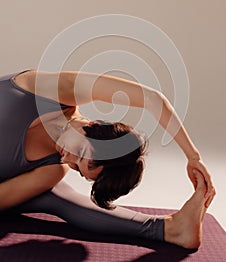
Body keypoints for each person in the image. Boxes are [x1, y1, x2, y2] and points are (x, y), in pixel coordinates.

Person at [0, 69, 215, 249]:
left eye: (77, 168)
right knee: (53, 195)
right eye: (82, 153)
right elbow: (151, 98)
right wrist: (193, 156)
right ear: (93, 126)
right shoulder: (49, 92)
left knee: (53, 195)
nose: (68, 159)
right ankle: (170, 229)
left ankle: (170, 229)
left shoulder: (53, 169)